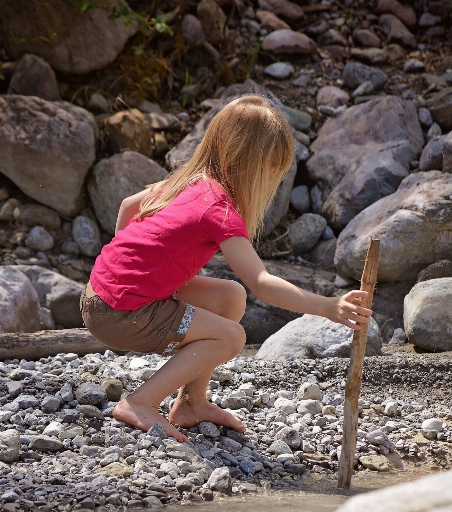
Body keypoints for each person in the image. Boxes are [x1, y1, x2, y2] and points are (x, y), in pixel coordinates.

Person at [80, 95, 371, 443]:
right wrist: (327, 307)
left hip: (100, 295)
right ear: (246, 166)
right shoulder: (218, 210)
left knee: (230, 296)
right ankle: (141, 401)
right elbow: (262, 282)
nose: (274, 181)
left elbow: (129, 207)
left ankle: (191, 402)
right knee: (231, 336)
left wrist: (130, 269)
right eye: (273, 170)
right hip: (120, 313)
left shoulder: (190, 182)